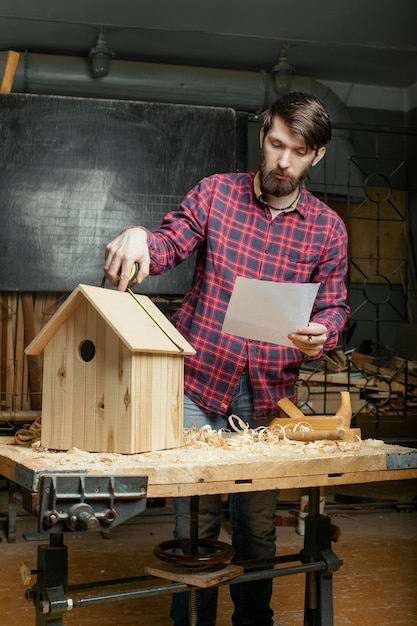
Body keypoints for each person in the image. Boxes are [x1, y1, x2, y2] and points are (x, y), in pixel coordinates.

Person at [103, 91, 350, 626]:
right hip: (198, 383)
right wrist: (141, 236)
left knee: (257, 524)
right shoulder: (215, 194)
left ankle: (252, 621)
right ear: (262, 137)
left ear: (318, 156)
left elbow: (333, 307)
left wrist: (321, 334)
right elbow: (169, 243)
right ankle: (191, 620)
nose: (284, 161)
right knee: (195, 520)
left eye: (299, 152)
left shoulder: (329, 229)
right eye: (277, 144)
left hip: (268, 394)